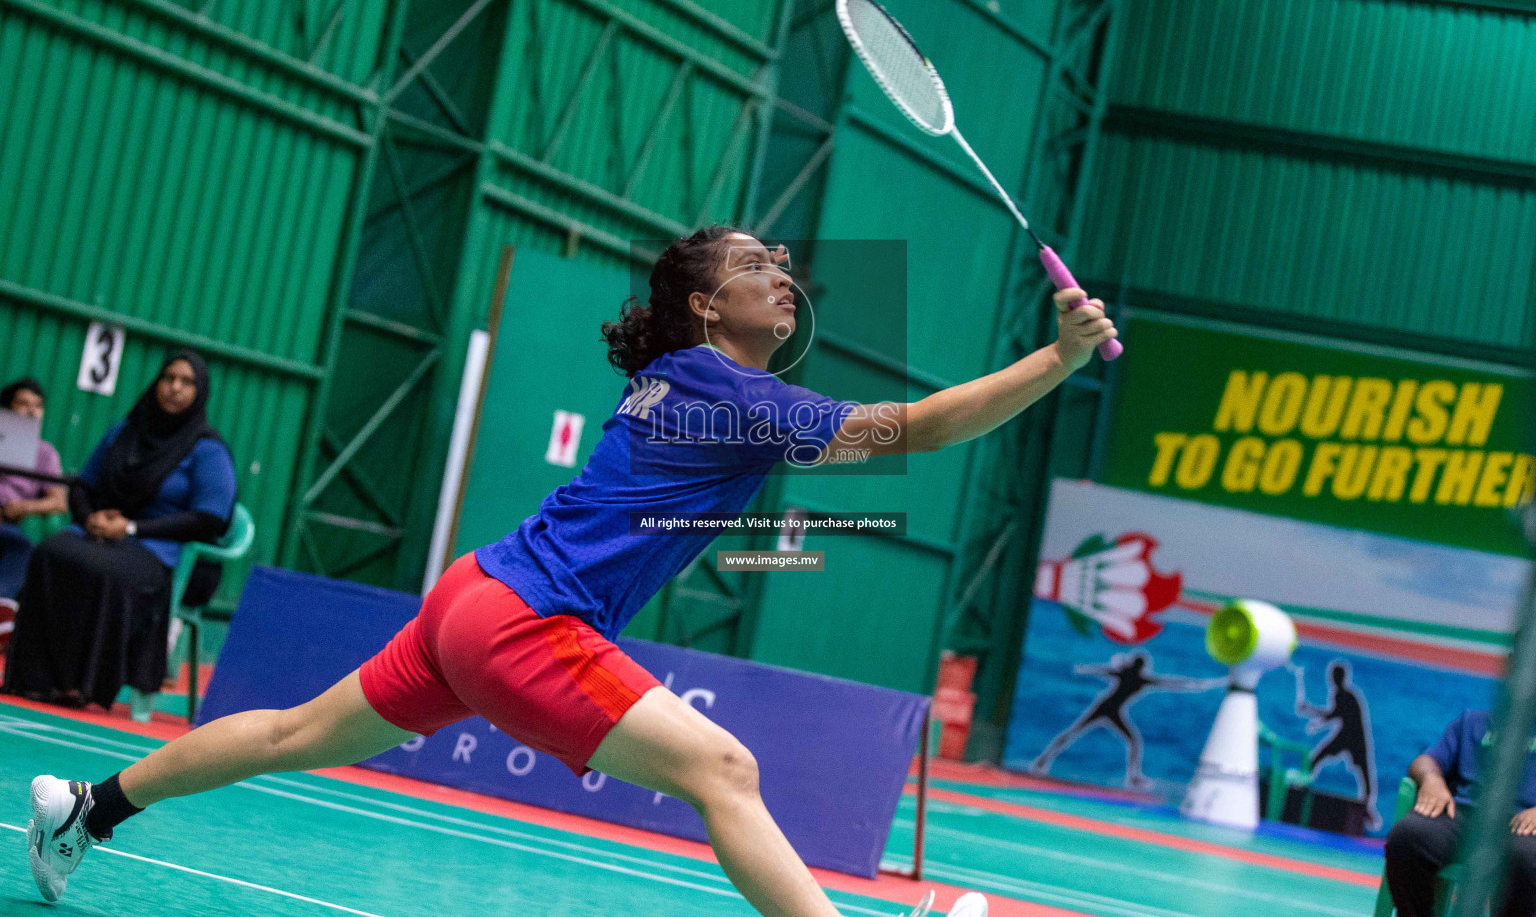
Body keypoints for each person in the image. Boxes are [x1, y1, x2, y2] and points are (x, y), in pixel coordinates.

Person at [27, 226, 1117, 917]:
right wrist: (1061, 357)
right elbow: (918, 429)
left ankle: (87, 805)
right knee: (723, 771)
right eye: (756, 266)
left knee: (290, 734)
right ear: (703, 303)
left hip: (475, 594)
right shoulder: (728, 387)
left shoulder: (683, 378)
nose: (782, 277)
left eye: (783, 266)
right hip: (525, 619)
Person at [3, 351, 236, 711]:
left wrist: (131, 527)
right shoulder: (124, 432)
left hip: (157, 549)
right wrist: (89, 519)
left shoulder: (207, 449)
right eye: (168, 378)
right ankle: (32, 678)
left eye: (186, 382)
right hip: (98, 532)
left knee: (104, 570)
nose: (174, 388)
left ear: (200, 391)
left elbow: (211, 516)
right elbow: (83, 485)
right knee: (50, 551)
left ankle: (84, 685)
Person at [1385, 708, 1536, 917]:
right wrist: (1432, 779)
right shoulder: (1473, 722)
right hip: (1464, 815)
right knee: (1408, 835)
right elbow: (1426, 761)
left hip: (1523, 824)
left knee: (1526, 856)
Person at [1029, 650, 1224, 789]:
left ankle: (1133, 778)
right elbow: (1103, 670)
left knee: (1130, 740)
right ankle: (1042, 761)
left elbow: (1173, 683)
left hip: (1113, 711)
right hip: (1105, 707)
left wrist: (1199, 685)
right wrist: (1082, 669)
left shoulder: (1136, 677)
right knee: (1075, 733)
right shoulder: (1136, 677)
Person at [0, 377, 68, 612]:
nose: (31, 412)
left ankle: (3, 608)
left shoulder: (44, 453)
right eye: (23, 404)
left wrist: (24, 507)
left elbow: (59, 501)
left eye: (37, 406)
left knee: (23, 550)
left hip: (8, 527)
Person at [1297, 659, 1379, 829]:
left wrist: (1310, 711)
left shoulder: (1346, 695)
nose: (1332, 679)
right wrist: (1315, 719)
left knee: (1364, 772)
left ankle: (1367, 808)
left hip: (1354, 738)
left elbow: (1334, 715)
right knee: (1317, 758)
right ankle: (1300, 786)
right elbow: (1333, 716)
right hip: (1344, 736)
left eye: (1334, 676)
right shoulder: (1339, 694)